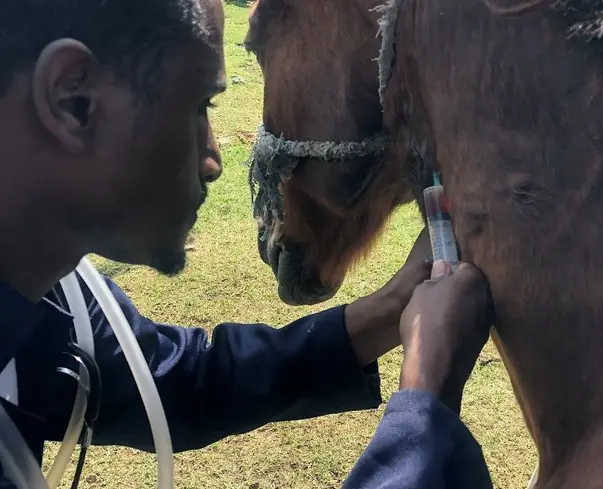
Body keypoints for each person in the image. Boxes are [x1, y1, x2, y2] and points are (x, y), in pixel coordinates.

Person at [0, 0, 496, 487]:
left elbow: (176, 383)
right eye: (199, 106)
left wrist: (392, 308)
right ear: (73, 101)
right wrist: (427, 404)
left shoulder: (49, 291)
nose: (214, 158)